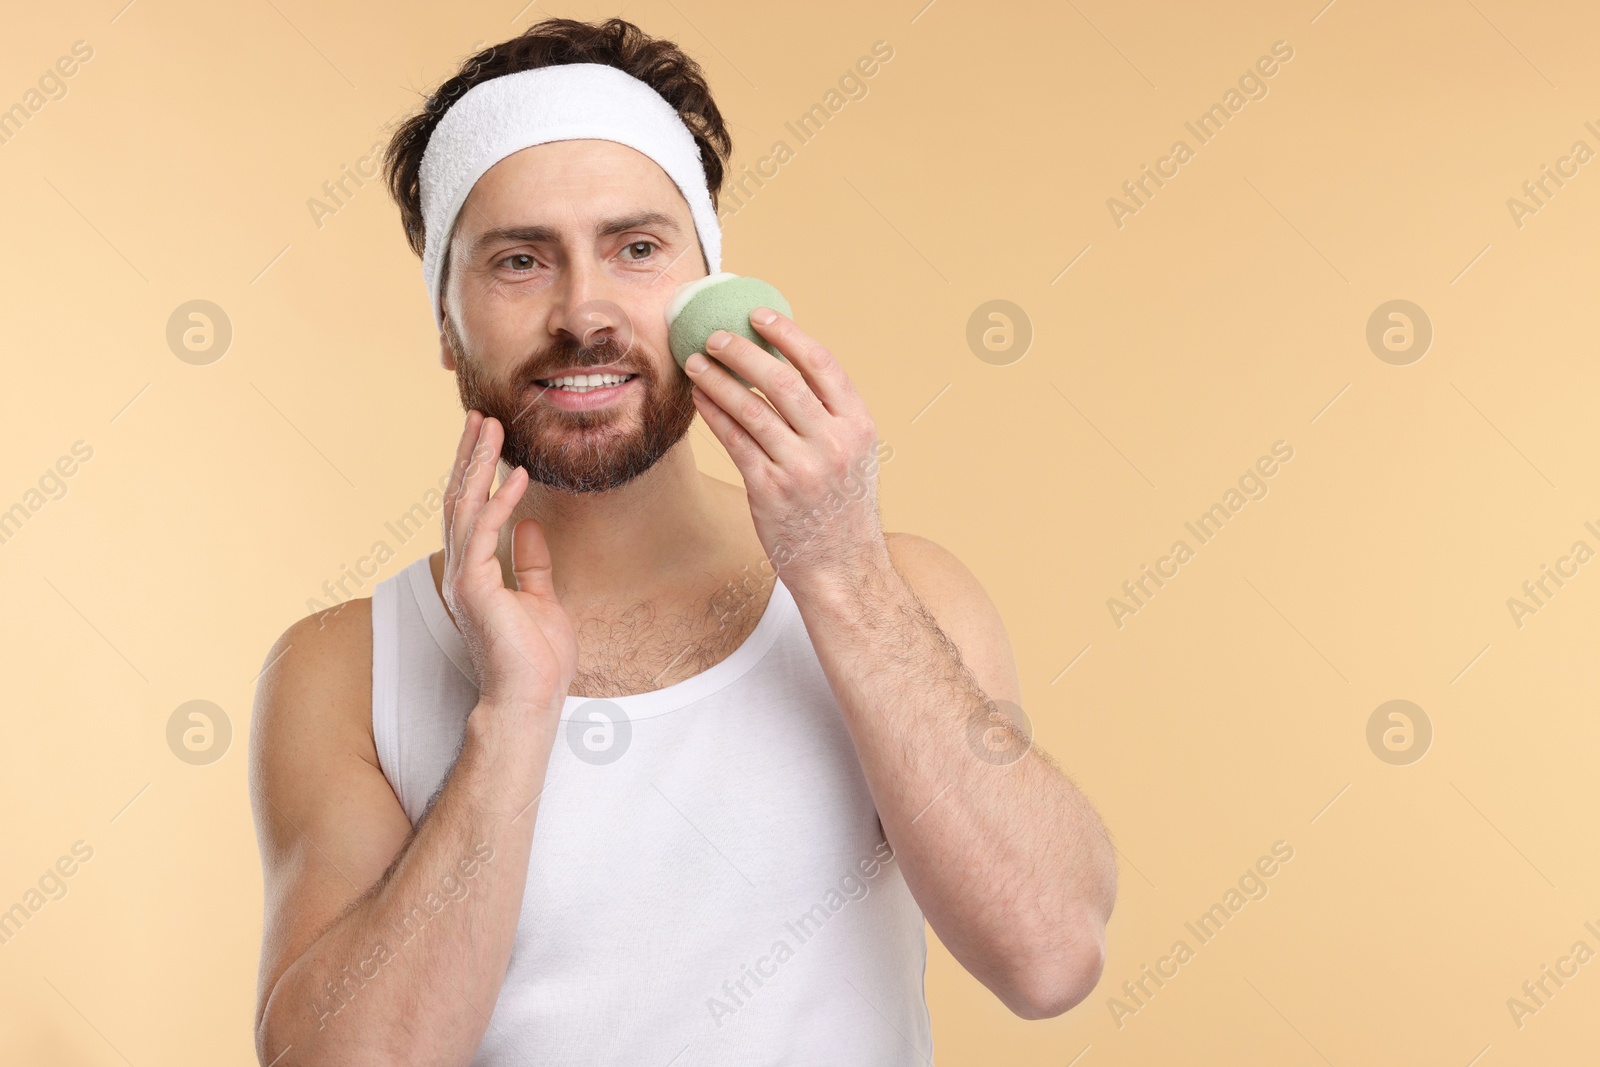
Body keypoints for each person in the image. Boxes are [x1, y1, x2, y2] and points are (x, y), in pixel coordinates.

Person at [248, 17, 1116, 1065]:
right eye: (520, 260)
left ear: (711, 284)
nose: (585, 313)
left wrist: (839, 573)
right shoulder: (347, 667)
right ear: (446, 321)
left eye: (637, 248)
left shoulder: (901, 590)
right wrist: (513, 716)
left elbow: (1051, 953)